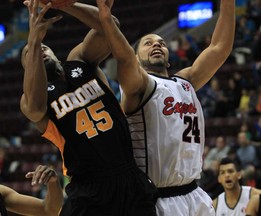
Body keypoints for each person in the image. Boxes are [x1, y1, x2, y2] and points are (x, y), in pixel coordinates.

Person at [96, 0, 235, 215]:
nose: (157, 45)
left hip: (194, 193)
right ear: (136, 58)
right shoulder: (139, 86)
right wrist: (106, 20)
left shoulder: (186, 81)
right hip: (157, 198)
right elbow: (124, 60)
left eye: (161, 42)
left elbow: (219, 48)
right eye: (148, 43)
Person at [20, 0, 158, 215]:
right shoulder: (34, 99)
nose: (40, 51)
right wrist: (34, 41)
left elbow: (109, 25)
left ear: (55, 53)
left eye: (44, 47)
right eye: (30, 55)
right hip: (88, 187)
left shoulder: (80, 60)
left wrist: (64, 4)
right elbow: (34, 109)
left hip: (129, 175)